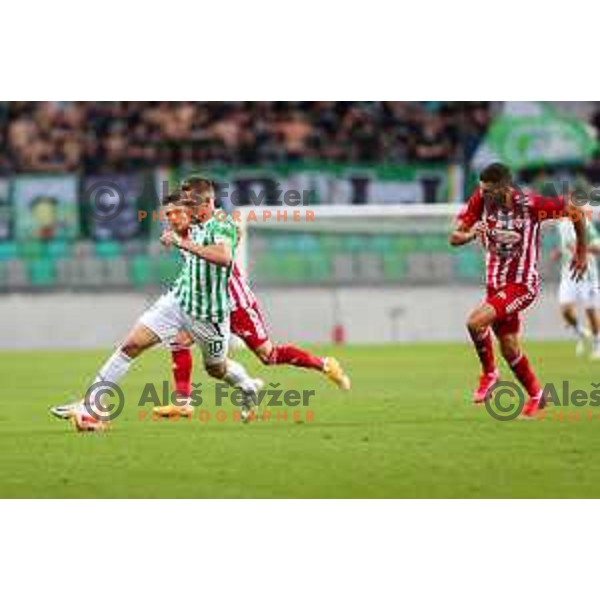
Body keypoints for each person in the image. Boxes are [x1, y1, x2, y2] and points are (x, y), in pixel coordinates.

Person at [50, 189, 262, 431]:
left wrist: (197, 237)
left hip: (208, 313)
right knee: (131, 345)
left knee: (216, 368)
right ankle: (92, 407)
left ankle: (246, 385)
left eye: (177, 212)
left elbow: (230, 239)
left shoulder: (210, 226)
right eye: (168, 214)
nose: (171, 218)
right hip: (178, 300)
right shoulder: (177, 233)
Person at [449, 163, 587, 417]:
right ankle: (537, 395)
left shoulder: (531, 205)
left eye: (489, 191)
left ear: (505, 188)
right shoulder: (481, 200)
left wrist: (580, 252)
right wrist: (471, 235)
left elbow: (575, 211)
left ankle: (490, 374)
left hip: (521, 285)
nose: (484, 195)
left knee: (474, 322)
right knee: (509, 346)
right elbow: (454, 237)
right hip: (495, 285)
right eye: (482, 190)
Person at [552, 217, 600, 358]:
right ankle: (580, 331)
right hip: (568, 275)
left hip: (587, 275)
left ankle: (597, 343)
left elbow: (597, 247)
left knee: (590, 311)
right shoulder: (562, 225)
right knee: (565, 309)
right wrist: (559, 253)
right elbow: (565, 245)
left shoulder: (586, 223)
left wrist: (581, 249)